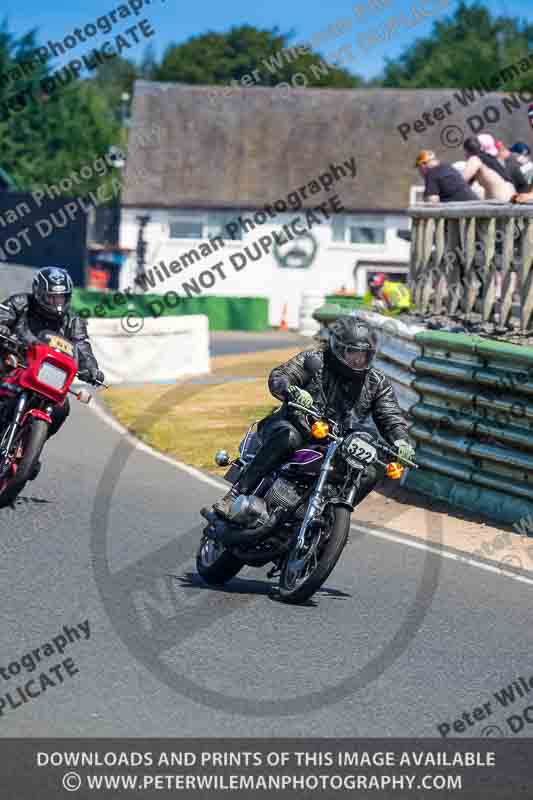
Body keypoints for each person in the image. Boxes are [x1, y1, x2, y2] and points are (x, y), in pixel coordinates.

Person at [207, 315, 414, 519]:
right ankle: (235, 495)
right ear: (338, 348)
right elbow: (280, 376)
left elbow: (391, 416)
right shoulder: (314, 360)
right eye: (353, 353)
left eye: (365, 355)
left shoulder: (377, 383)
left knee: (370, 470)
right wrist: (292, 391)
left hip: (338, 442)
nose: (359, 360)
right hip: (296, 424)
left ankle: (331, 517)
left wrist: (401, 441)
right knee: (289, 437)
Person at [0, 267, 104, 440]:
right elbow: (3, 315)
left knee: (62, 407)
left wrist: (91, 369)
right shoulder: (20, 303)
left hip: (46, 376)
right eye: (52, 297)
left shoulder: (73, 321)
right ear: (39, 293)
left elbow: (82, 346)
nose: (57, 303)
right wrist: (3, 329)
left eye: (61, 297)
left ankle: (27, 445)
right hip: (14, 362)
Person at [462, 137, 515, 202]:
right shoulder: (490, 158)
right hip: (512, 195)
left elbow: (462, 181)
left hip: (501, 200)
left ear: (466, 151)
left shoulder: (474, 159)